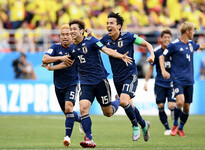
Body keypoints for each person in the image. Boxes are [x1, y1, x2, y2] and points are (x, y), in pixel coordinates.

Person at [46, 19, 132, 148]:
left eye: (74, 29)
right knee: (83, 108)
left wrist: (121, 56)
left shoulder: (92, 41)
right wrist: (51, 68)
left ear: (81, 31)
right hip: (85, 83)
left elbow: (106, 49)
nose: (71, 32)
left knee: (107, 112)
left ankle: (118, 101)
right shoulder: (72, 48)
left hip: (100, 81)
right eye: (70, 30)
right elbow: (67, 63)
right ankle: (90, 139)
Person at [159, 22, 205, 137]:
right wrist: (163, 71)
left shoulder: (191, 44)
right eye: (193, 30)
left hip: (189, 81)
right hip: (177, 79)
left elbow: (202, 46)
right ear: (187, 31)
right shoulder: (174, 45)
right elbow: (162, 56)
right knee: (179, 102)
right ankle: (175, 124)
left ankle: (181, 128)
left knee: (187, 107)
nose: (194, 33)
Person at [100, 12, 155, 142]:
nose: (108, 25)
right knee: (129, 105)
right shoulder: (105, 40)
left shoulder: (128, 36)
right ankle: (143, 124)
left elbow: (147, 44)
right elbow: (93, 45)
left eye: (111, 23)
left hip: (130, 75)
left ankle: (135, 126)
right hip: (117, 78)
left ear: (118, 26)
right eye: (107, 23)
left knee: (123, 101)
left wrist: (152, 55)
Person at [42, 24, 81, 147]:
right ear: (60, 36)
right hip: (58, 85)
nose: (65, 37)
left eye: (67, 34)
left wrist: (51, 67)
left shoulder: (74, 48)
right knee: (67, 112)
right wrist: (60, 57)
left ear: (71, 35)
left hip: (73, 83)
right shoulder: (55, 47)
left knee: (69, 108)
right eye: (63, 34)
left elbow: (67, 63)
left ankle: (67, 137)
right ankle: (80, 119)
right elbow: (44, 59)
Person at [144, 29, 176, 135]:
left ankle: (173, 113)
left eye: (169, 37)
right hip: (160, 84)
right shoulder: (156, 52)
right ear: (161, 39)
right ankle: (167, 128)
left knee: (171, 106)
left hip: (172, 83)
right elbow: (150, 68)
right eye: (165, 37)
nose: (167, 39)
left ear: (171, 39)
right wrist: (146, 81)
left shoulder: (174, 51)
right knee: (161, 106)